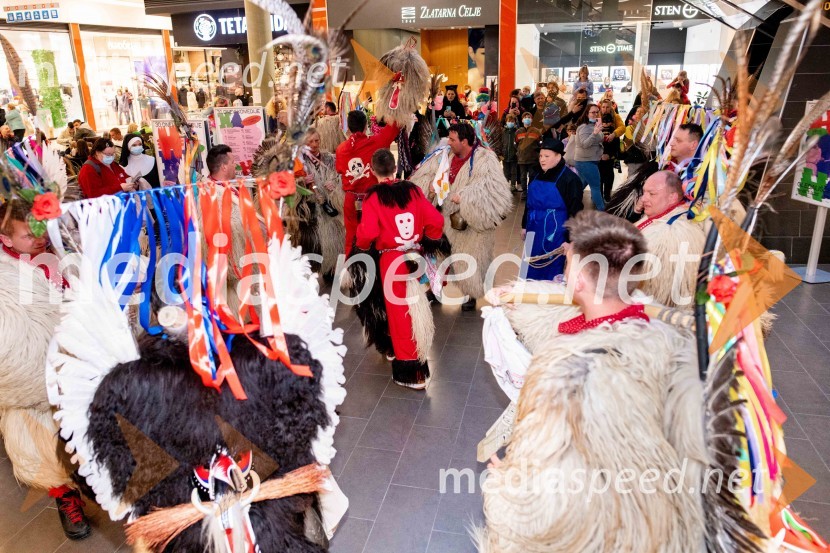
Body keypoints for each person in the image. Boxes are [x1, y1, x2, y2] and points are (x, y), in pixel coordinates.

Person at [480, 210, 705, 552]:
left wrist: (507, 485)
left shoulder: (571, 374)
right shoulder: (665, 340)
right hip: (653, 527)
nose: (564, 268)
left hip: (592, 529)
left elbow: (550, 488)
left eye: (569, 262)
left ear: (581, 280)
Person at [0, 200, 94, 541]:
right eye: (28, 235)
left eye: (41, 229)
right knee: (44, 449)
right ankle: (66, 499)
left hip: (84, 366)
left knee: (96, 439)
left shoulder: (59, 250)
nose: (39, 239)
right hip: (34, 386)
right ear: (6, 239)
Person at [353, 148, 446, 388]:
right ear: (395, 168)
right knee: (414, 308)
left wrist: (362, 246)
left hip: (392, 259)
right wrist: (428, 240)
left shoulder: (374, 196)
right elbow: (436, 220)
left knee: (400, 314)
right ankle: (397, 350)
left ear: (373, 171)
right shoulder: (413, 189)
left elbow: (368, 232)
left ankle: (412, 372)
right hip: (416, 256)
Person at [410, 123, 513, 311]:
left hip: (468, 222)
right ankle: (435, 288)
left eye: (452, 139)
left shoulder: (485, 159)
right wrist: (430, 190)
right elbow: (427, 176)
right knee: (438, 256)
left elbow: (491, 188)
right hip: (442, 217)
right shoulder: (444, 155)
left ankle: (470, 294)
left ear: (464, 141)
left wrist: (465, 196)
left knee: (469, 256)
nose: (448, 143)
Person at [633, 170, 704, 308]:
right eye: (644, 192)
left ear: (672, 197)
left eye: (652, 194)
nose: (644, 199)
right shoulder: (659, 216)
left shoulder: (673, 233)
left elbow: (655, 287)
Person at [335, 110, 399, 254]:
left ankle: (351, 270)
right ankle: (375, 270)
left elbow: (340, 170)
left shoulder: (340, 149)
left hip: (351, 200)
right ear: (366, 126)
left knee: (351, 238)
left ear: (348, 128)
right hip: (373, 199)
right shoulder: (376, 142)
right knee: (377, 235)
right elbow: (395, 126)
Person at [521, 137, 584, 279]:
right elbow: (529, 204)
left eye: (546, 156)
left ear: (558, 156)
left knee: (552, 275)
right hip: (533, 230)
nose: (542, 159)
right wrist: (524, 225)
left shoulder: (570, 179)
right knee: (529, 270)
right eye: (541, 156)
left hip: (556, 234)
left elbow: (576, 212)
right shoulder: (535, 174)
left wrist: (569, 240)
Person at [298, 128, 345, 277]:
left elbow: (341, 176)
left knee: (334, 242)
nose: (313, 144)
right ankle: (313, 273)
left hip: (330, 209)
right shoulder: (299, 163)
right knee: (312, 245)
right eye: (309, 141)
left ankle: (331, 271)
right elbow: (287, 184)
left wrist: (335, 183)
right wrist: (301, 181)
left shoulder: (330, 158)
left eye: (316, 141)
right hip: (310, 210)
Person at [573, 103, 605, 210]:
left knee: (579, 187)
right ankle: (603, 211)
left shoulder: (594, 125)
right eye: (592, 112)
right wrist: (595, 133)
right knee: (595, 186)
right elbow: (585, 144)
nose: (595, 114)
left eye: (597, 112)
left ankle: (569, 204)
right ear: (587, 114)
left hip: (589, 161)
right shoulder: (584, 127)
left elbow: (599, 140)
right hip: (586, 162)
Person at [598, 98, 625, 202]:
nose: (605, 109)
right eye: (603, 107)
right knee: (599, 175)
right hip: (598, 151)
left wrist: (613, 134)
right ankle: (598, 194)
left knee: (609, 174)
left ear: (611, 107)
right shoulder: (597, 115)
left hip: (611, 148)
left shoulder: (616, 116)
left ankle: (607, 194)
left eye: (607, 107)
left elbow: (622, 128)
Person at [516, 111, 543, 194]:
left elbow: (540, 144)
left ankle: (531, 192)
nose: (527, 119)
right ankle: (524, 192)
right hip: (522, 159)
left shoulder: (536, 131)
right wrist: (518, 152)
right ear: (522, 120)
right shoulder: (518, 132)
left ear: (532, 120)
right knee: (523, 177)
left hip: (533, 159)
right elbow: (515, 144)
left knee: (532, 176)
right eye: (525, 117)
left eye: (529, 117)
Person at [502, 113, 519, 190]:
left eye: (512, 121)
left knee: (513, 171)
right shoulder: (503, 131)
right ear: (506, 121)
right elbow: (501, 142)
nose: (510, 123)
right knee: (505, 171)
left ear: (515, 122)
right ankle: (505, 184)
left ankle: (513, 185)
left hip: (514, 155)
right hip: (504, 155)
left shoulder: (517, 131)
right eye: (509, 121)